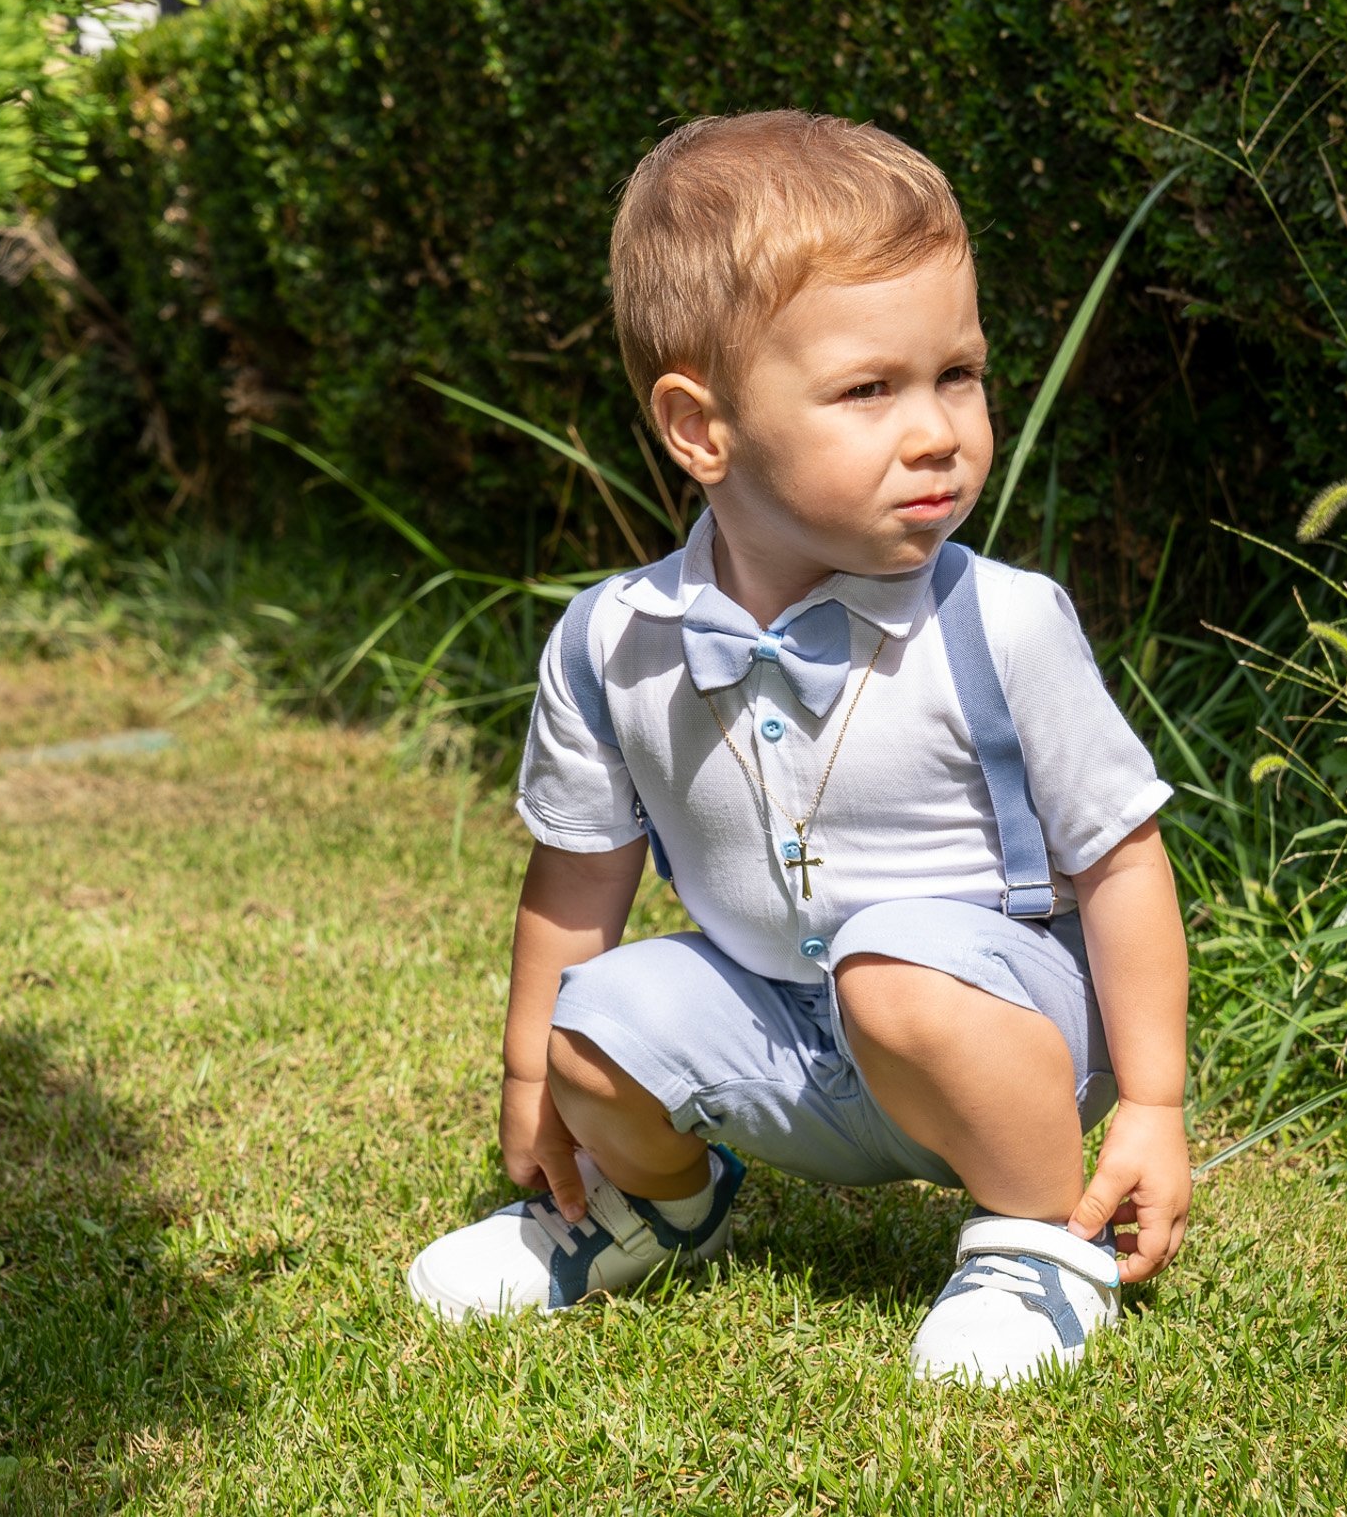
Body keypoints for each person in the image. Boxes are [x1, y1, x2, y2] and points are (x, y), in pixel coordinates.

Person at [406, 110, 1192, 1386]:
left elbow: (1121, 857)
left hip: (995, 1026)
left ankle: (1038, 1238)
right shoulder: (618, 642)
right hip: (778, 1021)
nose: (936, 430)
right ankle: (653, 1205)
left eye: (958, 375)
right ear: (699, 428)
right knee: (589, 1021)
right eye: (870, 390)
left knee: (895, 965)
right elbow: (575, 874)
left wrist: (1151, 1102)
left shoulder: (999, 622)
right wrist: (531, 1074)